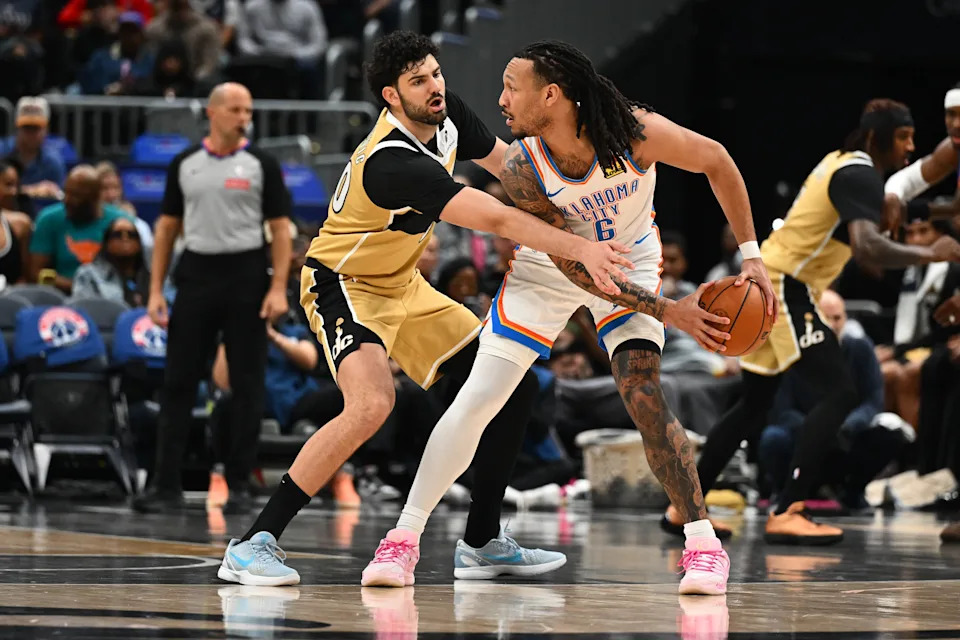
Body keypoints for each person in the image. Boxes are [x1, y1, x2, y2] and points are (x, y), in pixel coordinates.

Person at [215, 31, 630, 588]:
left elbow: (509, 167)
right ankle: (251, 544)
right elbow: (498, 217)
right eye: (418, 81)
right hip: (344, 283)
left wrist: (583, 196)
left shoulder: (446, 114)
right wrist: (580, 244)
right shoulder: (390, 162)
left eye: (436, 73)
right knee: (371, 405)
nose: (436, 87)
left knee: (516, 387)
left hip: (402, 283)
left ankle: (482, 541)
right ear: (390, 96)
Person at [361, 40, 776, 596]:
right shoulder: (523, 167)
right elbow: (576, 267)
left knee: (644, 395)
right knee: (479, 397)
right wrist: (670, 312)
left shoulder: (635, 131)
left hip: (631, 258)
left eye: (512, 87)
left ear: (550, 95)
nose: (501, 99)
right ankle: (402, 540)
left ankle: (703, 546)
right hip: (554, 266)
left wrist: (753, 258)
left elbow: (717, 161)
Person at [677, 99, 960, 546]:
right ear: (877, 137)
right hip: (784, 286)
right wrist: (931, 252)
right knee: (839, 392)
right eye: (903, 137)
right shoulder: (858, 174)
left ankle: (684, 507)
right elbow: (868, 250)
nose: (910, 146)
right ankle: (790, 507)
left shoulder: (847, 167)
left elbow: (905, 202)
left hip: (771, 281)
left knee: (753, 404)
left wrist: (935, 210)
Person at [132, 82, 293, 515]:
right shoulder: (185, 163)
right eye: (237, 109)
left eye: (249, 109)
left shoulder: (261, 163)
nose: (245, 117)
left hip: (245, 276)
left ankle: (239, 483)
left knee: (246, 383)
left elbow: (280, 229)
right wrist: (155, 291)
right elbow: (166, 229)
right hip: (197, 274)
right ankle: (165, 485)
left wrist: (278, 287)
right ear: (213, 112)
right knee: (178, 381)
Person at [29, 165, 133, 293]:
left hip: (109, 294)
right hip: (60, 297)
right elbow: (36, 273)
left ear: (96, 197)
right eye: (67, 192)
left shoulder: (120, 222)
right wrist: (82, 287)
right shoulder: (48, 219)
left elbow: (130, 271)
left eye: (76, 196)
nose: (67, 200)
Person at [884, 83, 960, 231]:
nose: (957, 124)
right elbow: (907, 179)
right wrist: (892, 197)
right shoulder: (952, 150)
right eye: (951, 114)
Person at [72, 216, 150, 306]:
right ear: (107, 243)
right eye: (117, 234)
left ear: (139, 244)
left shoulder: (154, 277)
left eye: (131, 235)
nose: (125, 238)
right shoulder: (88, 274)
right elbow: (83, 308)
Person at [0, 97, 65, 200]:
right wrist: (31, 190)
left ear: (46, 129)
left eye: (36, 128)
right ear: (17, 128)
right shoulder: (2, 150)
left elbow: (60, 199)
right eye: (26, 127)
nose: (31, 134)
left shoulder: (53, 161)